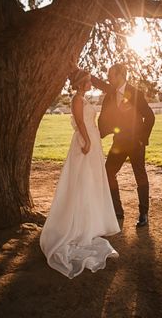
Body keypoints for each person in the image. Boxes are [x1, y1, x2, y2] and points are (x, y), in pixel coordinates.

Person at [39, 70, 120, 279]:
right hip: (85, 143)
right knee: (81, 182)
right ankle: (75, 225)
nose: (91, 82)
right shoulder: (77, 99)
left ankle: (89, 222)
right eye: (89, 80)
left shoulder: (82, 98)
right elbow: (81, 122)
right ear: (82, 83)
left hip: (92, 142)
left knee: (91, 183)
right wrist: (88, 141)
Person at [90, 63, 155, 227]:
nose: (109, 79)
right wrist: (77, 70)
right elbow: (97, 82)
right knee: (108, 172)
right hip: (119, 142)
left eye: (111, 76)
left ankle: (144, 213)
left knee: (139, 174)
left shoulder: (136, 93)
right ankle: (117, 210)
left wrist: (142, 138)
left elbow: (150, 117)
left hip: (136, 143)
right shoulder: (111, 92)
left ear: (120, 75)